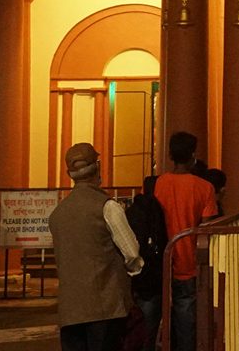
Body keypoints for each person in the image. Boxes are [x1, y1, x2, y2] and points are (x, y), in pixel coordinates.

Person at [49, 143, 144, 351]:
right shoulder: (108, 207)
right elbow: (132, 253)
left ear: (69, 173)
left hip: (70, 310)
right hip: (106, 306)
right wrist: (134, 273)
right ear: (98, 167)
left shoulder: (57, 214)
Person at [154, 132, 218, 351]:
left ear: (170, 154)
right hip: (189, 264)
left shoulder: (159, 184)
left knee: (158, 321)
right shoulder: (204, 187)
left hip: (160, 263)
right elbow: (207, 227)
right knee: (186, 324)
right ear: (193, 155)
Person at [124, 176, 168, 351]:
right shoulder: (156, 210)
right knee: (148, 329)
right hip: (152, 278)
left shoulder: (131, 210)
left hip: (133, 278)